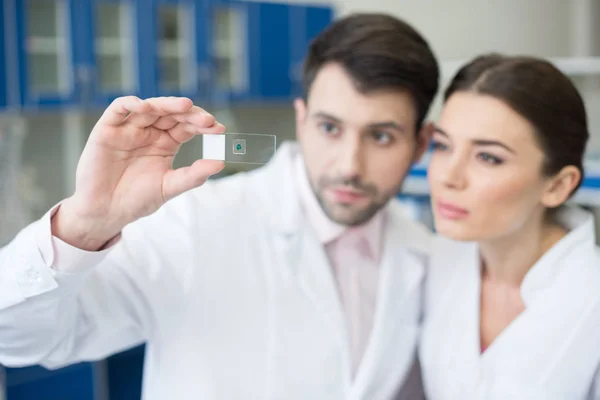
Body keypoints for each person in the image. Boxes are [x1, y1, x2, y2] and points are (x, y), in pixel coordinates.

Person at [0, 13, 439, 400]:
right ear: (302, 118)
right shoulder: (195, 224)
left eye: (381, 136)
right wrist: (83, 226)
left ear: (421, 144)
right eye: (329, 127)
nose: (349, 165)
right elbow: (18, 337)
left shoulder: (426, 255)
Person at [419, 53, 600, 399]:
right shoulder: (437, 261)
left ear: (557, 186)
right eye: (443, 146)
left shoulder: (590, 300)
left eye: (488, 157)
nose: (448, 177)